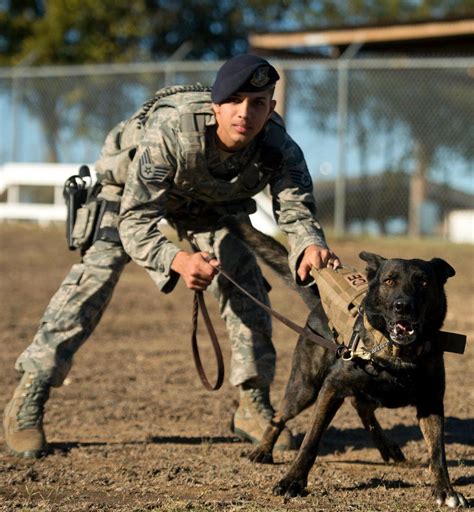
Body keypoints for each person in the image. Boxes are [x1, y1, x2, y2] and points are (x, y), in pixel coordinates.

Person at [3, 54, 341, 459]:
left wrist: (309, 244)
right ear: (216, 104)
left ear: (271, 108)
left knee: (243, 276)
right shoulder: (172, 130)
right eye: (235, 101)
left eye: (258, 103)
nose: (245, 113)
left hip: (212, 207)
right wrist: (178, 261)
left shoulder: (279, 146)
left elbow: (297, 209)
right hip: (128, 195)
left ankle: (252, 403)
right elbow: (135, 220)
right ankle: (30, 395)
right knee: (96, 274)